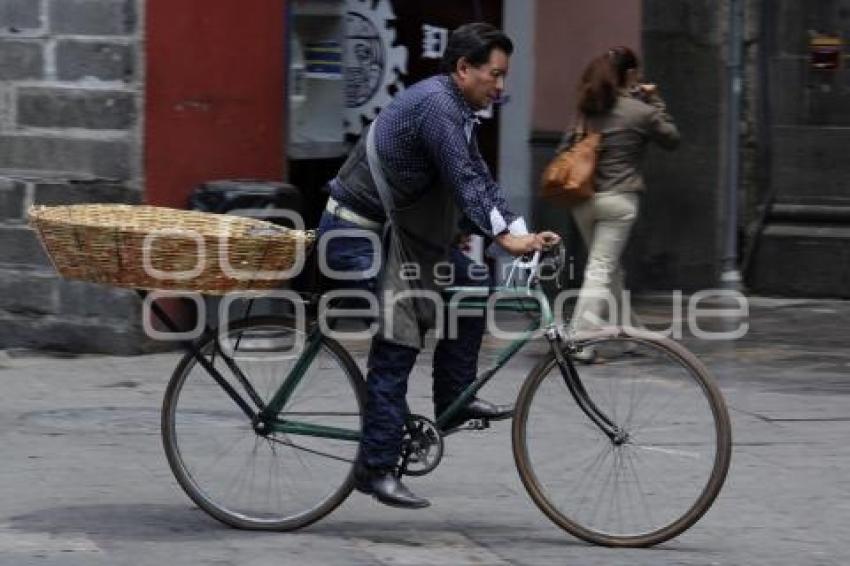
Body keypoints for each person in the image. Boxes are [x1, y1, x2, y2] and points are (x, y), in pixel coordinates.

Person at [317, 22, 559, 508]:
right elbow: (465, 182)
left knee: (470, 281)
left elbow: (482, 183)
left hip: (398, 236)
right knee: (398, 337)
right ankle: (377, 468)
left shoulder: (457, 110)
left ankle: (454, 398)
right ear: (463, 68)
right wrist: (508, 238)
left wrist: (521, 231)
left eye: (505, 76)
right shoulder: (437, 107)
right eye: (494, 74)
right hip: (356, 235)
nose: (500, 86)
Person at [563, 46, 679, 362]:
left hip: (583, 201)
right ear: (629, 75)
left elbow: (566, 146)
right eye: (637, 73)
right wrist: (654, 100)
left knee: (610, 270)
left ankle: (632, 336)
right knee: (601, 269)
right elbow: (671, 137)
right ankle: (580, 342)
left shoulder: (588, 107)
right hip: (618, 202)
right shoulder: (639, 112)